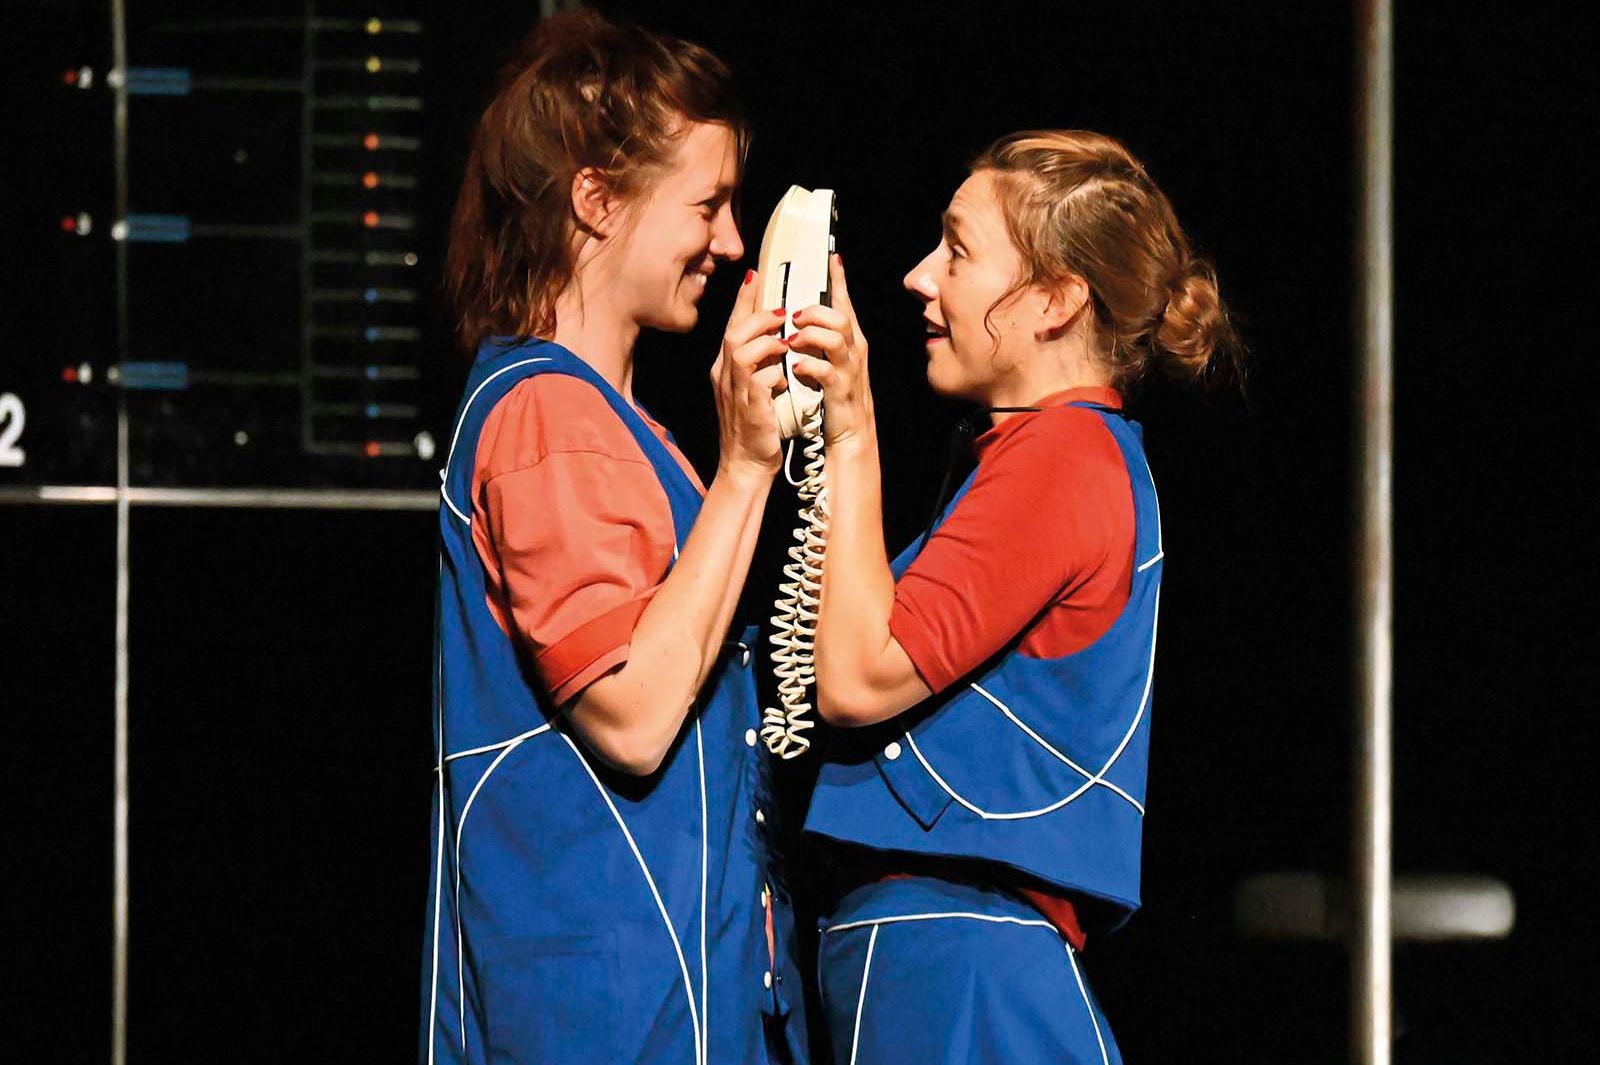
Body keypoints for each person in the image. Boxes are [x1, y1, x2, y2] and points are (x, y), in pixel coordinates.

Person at [784, 130, 1242, 1063]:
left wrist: (853, 429)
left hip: (960, 956)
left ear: (1055, 300)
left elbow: (859, 676)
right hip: (950, 947)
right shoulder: (1048, 457)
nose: (920, 277)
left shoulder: (1063, 459)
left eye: (957, 251)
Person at [421, 13, 807, 1065]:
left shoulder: (618, 428)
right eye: (707, 205)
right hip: (602, 1019)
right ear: (596, 200)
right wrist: (746, 467)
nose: (731, 242)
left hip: (666, 1004)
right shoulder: (546, 417)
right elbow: (633, 714)